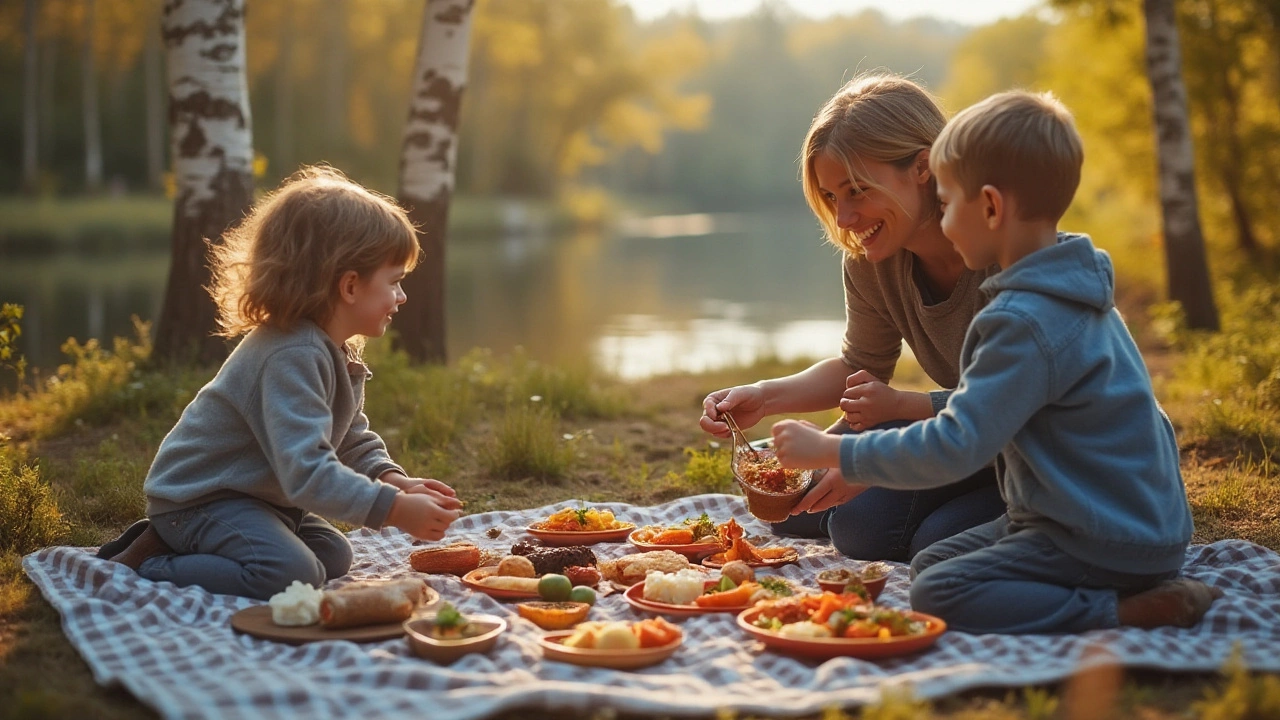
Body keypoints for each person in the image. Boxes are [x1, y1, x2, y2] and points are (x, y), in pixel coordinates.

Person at [770, 90, 1221, 634]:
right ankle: (1097, 583)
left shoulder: (1023, 318)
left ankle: (1124, 609)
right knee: (933, 562)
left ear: (989, 207)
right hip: (1094, 513)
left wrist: (833, 449)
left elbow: (958, 442)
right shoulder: (1055, 286)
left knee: (937, 587)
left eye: (950, 200)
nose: (945, 215)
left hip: (1104, 528)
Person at [99, 165, 463, 600]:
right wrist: (395, 510)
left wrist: (392, 480)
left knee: (332, 557)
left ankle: (187, 541)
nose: (402, 297)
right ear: (349, 286)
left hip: (261, 500)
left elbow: (348, 434)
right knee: (292, 575)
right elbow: (307, 471)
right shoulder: (292, 354)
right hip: (202, 500)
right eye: (394, 282)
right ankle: (154, 559)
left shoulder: (331, 347)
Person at [700, 73, 1005, 562]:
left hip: (1030, 445)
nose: (843, 219)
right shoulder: (872, 260)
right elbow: (859, 364)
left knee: (872, 530)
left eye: (857, 190)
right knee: (793, 505)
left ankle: (944, 520)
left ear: (923, 167)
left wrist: (898, 412)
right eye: (831, 198)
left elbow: (1016, 400)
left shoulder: (1005, 249)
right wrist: (765, 396)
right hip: (958, 435)